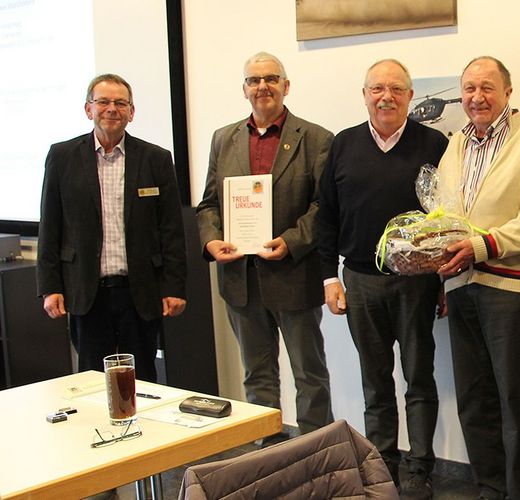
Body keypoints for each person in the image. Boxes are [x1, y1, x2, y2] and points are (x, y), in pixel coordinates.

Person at [315, 59, 448, 497]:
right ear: (365, 94)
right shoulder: (343, 145)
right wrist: (328, 280)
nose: (385, 96)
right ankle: (383, 462)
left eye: (395, 88)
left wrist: (445, 279)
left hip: (418, 281)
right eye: (377, 88)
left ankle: (420, 465)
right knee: (374, 379)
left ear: (411, 96)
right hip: (359, 280)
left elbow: (450, 217)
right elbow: (326, 216)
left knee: (419, 376)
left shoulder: (434, 144)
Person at [196, 52, 334, 440]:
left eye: (271, 78)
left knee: (310, 375)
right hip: (241, 279)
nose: (263, 87)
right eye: (254, 80)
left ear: (286, 86)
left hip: (293, 274)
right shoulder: (224, 139)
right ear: (244, 89)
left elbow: (324, 206)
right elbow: (209, 204)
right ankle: (269, 457)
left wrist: (291, 242)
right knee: (257, 376)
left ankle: (315, 453)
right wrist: (211, 240)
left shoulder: (317, 138)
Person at [436, 56, 520, 500]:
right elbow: (444, 210)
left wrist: (484, 244)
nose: (476, 97)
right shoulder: (456, 143)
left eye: (487, 88)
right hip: (460, 285)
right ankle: (488, 488)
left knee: (515, 400)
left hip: (510, 287)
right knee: (472, 397)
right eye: (469, 89)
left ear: (508, 91)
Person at [37, 74, 187, 383]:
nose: (112, 109)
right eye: (103, 101)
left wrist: (174, 286)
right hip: (86, 291)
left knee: (144, 378)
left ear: (132, 112)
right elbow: (50, 225)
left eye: (121, 103)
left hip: (139, 292)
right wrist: (50, 286)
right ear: (88, 109)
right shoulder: (63, 157)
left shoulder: (156, 159)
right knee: (92, 381)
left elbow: (171, 229)